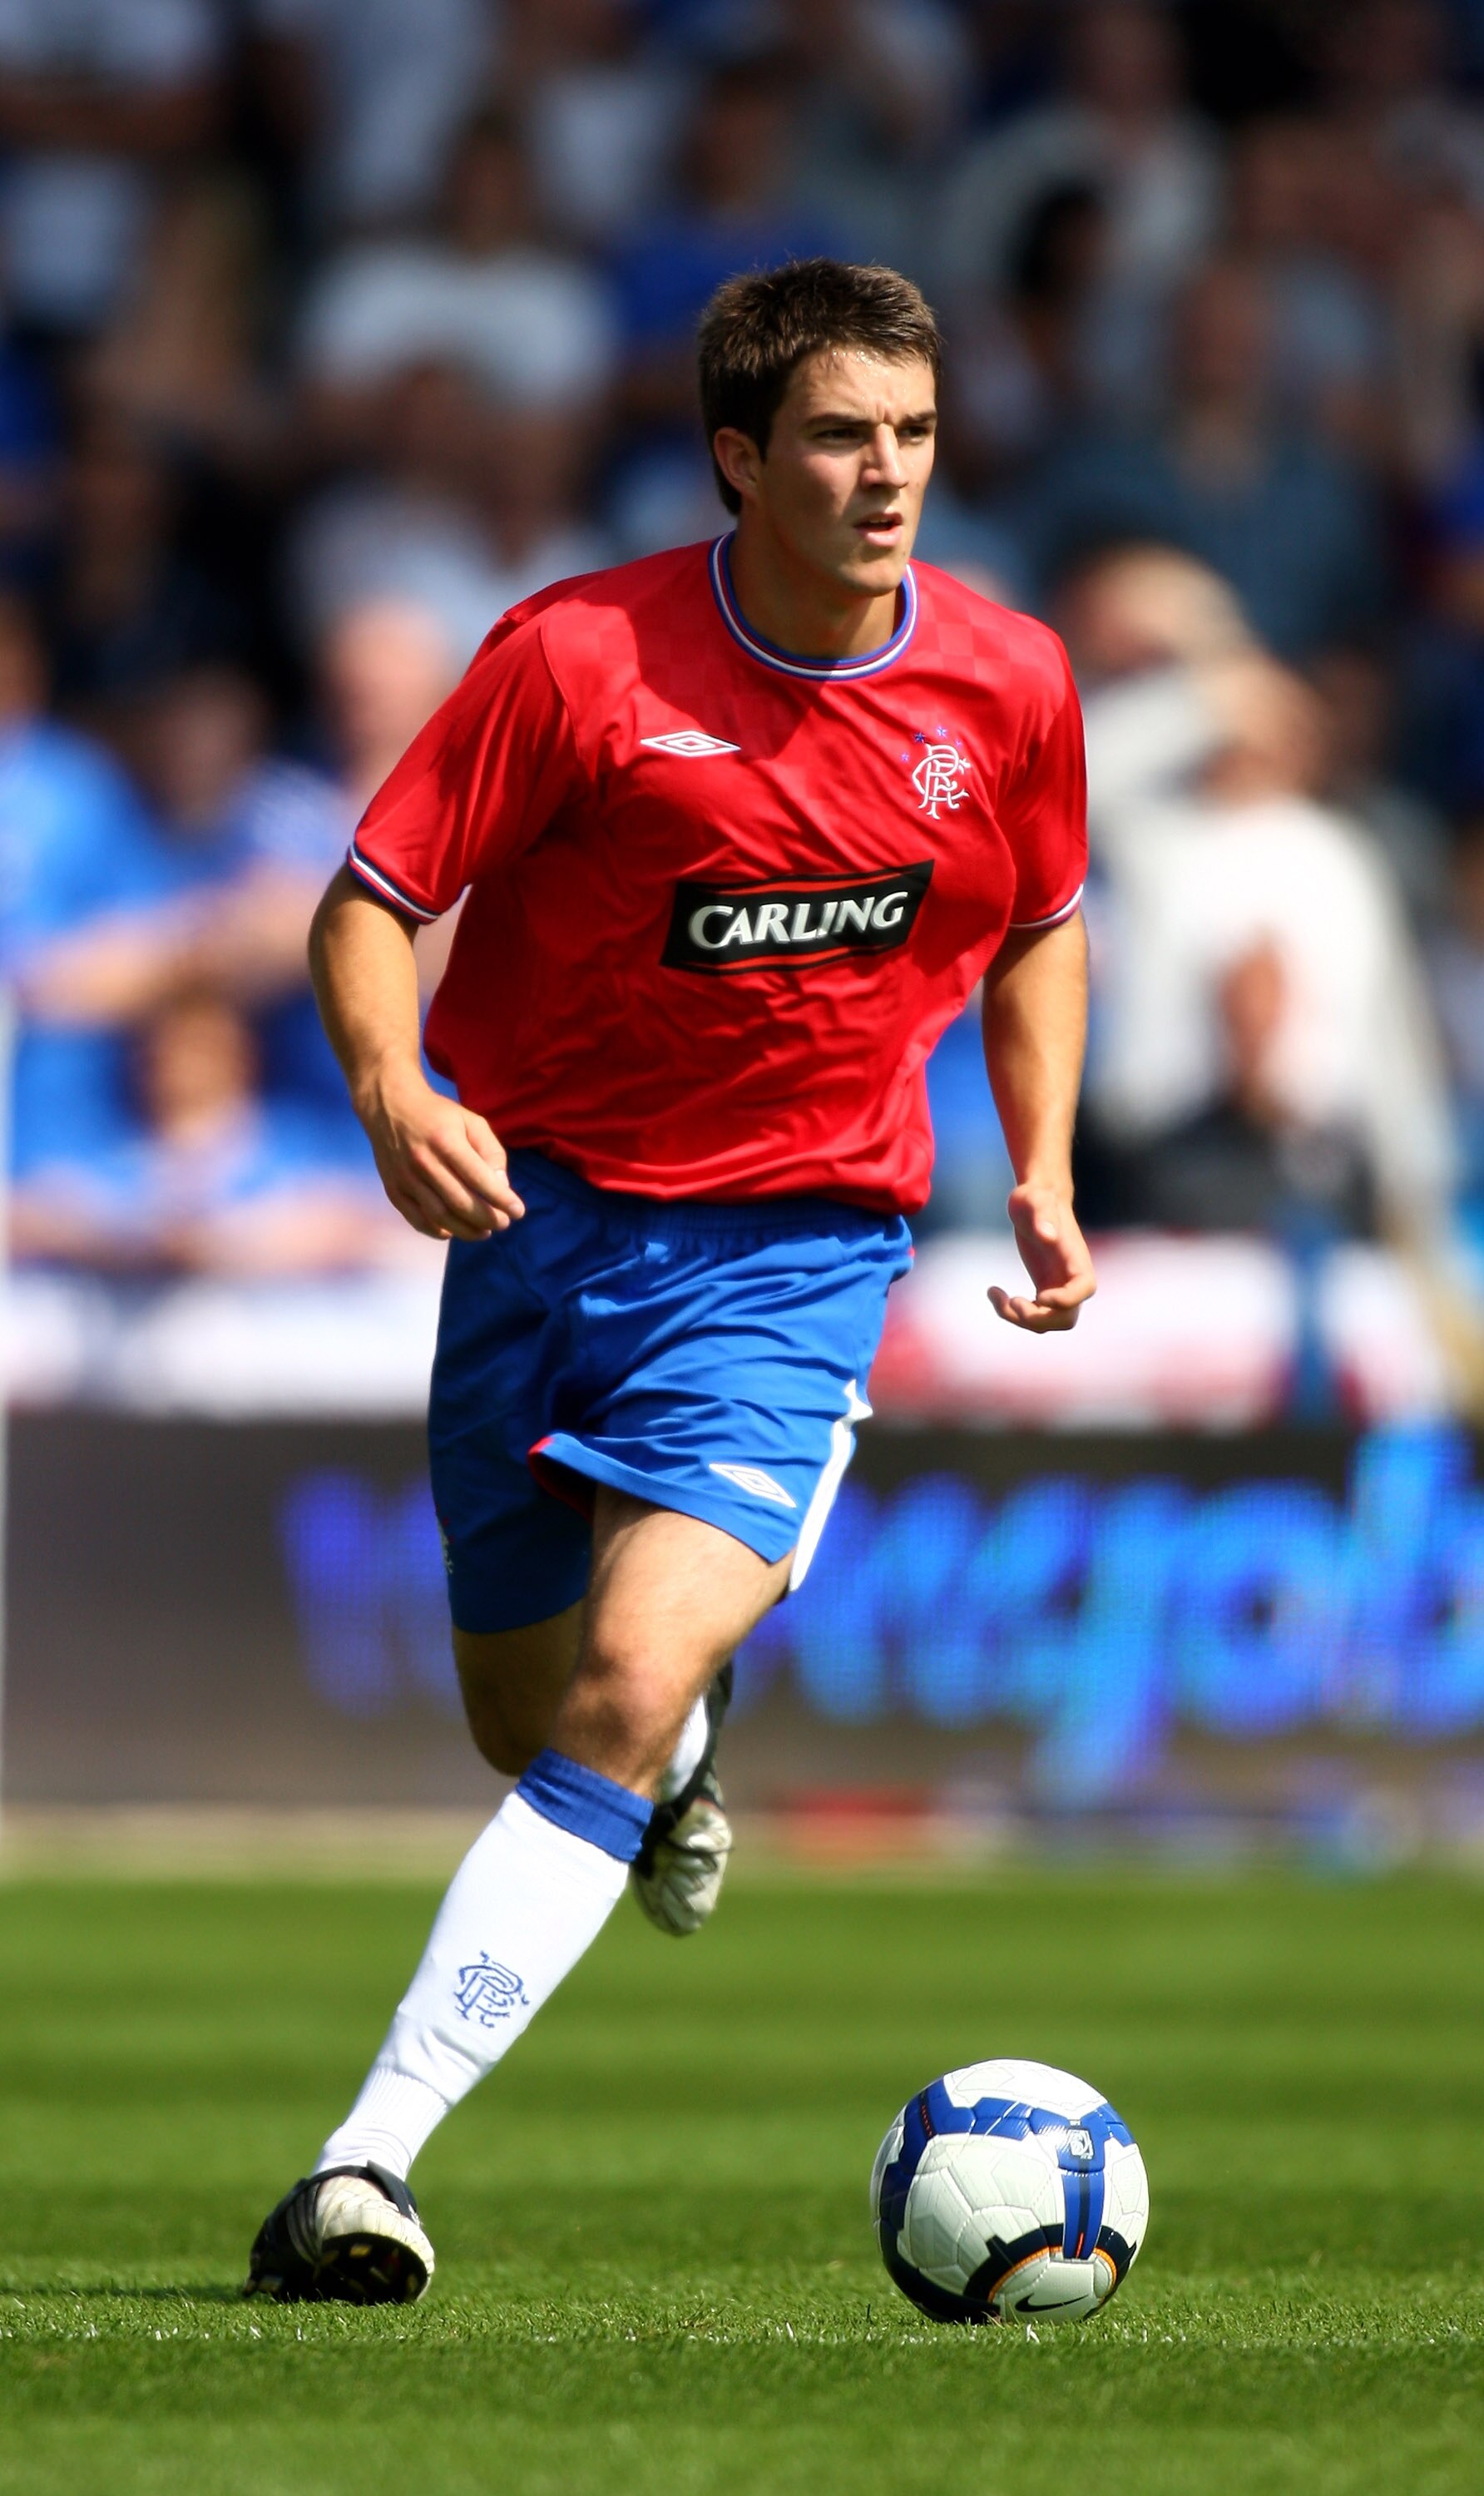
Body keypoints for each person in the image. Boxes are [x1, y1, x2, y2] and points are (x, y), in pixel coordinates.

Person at [243, 258, 1094, 2305]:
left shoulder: (1008, 682)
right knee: (523, 1715)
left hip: (798, 1250)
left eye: (907, 429)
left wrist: (1045, 1162)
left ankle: (365, 2166)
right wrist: (388, 1090)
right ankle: (680, 1761)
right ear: (738, 459)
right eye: (834, 435)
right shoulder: (571, 662)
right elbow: (370, 908)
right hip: (536, 1227)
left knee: (618, 1693)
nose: (883, 472)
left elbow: (1046, 913)